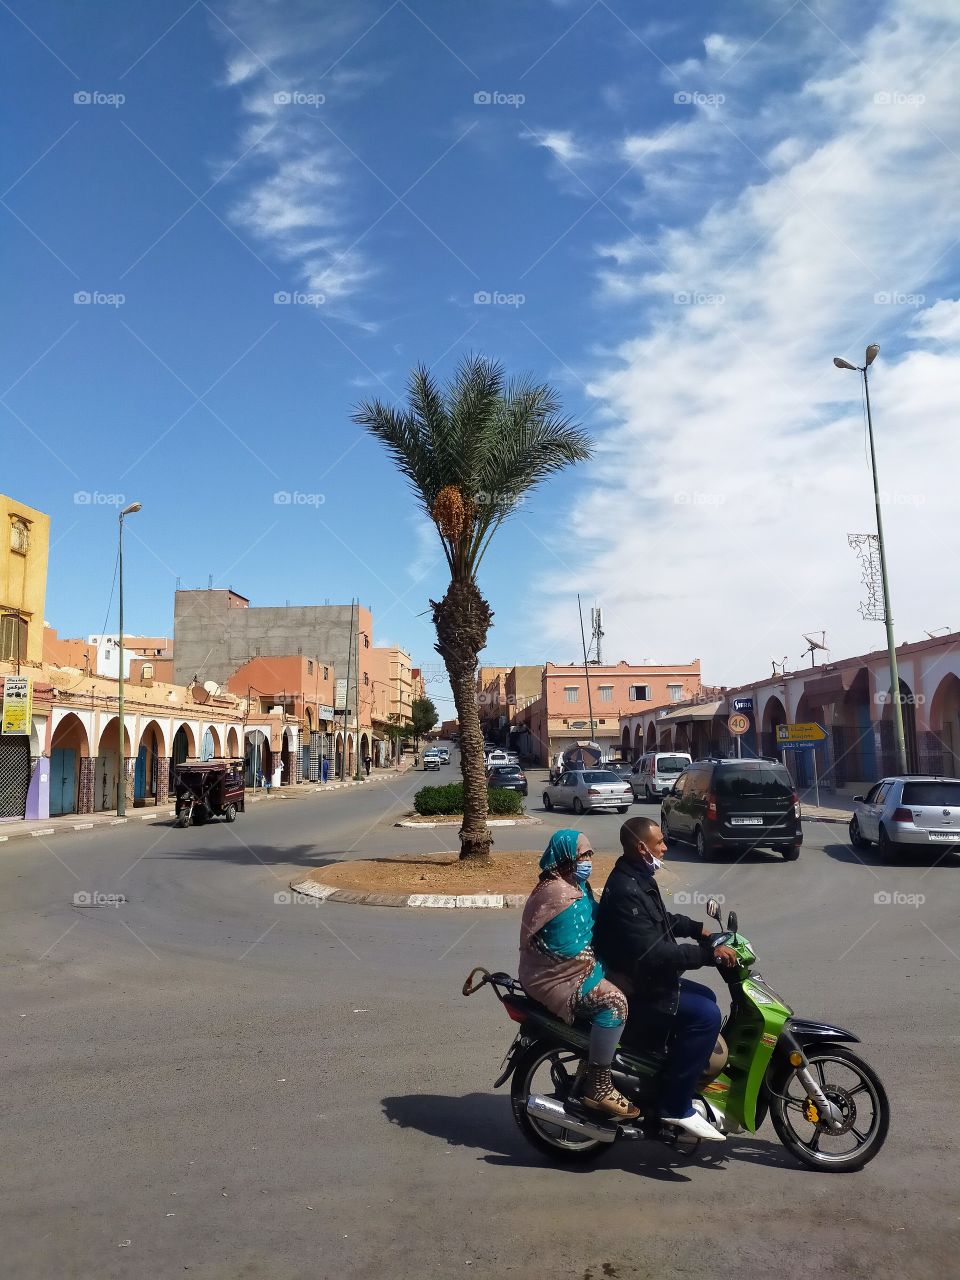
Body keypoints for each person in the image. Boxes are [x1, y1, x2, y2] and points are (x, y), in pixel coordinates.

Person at [593, 816, 739, 1143]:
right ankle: (675, 1104)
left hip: (645, 979)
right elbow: (654, 953)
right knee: (706, 1016)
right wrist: (707, 955)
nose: (665, 847)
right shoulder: (627, 889)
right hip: (639, 987)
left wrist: (697, 929)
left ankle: (669, 1069)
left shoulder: (637, 876)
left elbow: (661, 921)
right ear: (642, 847)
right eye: (660, 842)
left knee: (707, 997)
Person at [519, 830, 639, 1120]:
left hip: (570, 970)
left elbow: (597, 920)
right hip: (555, 977)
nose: (588, 861)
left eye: (589, 855)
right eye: (582, 856)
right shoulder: (557, 892)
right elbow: (570, 951)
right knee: (615, 1001)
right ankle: (599, 1084)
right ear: (565, 858)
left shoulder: (576, 885)